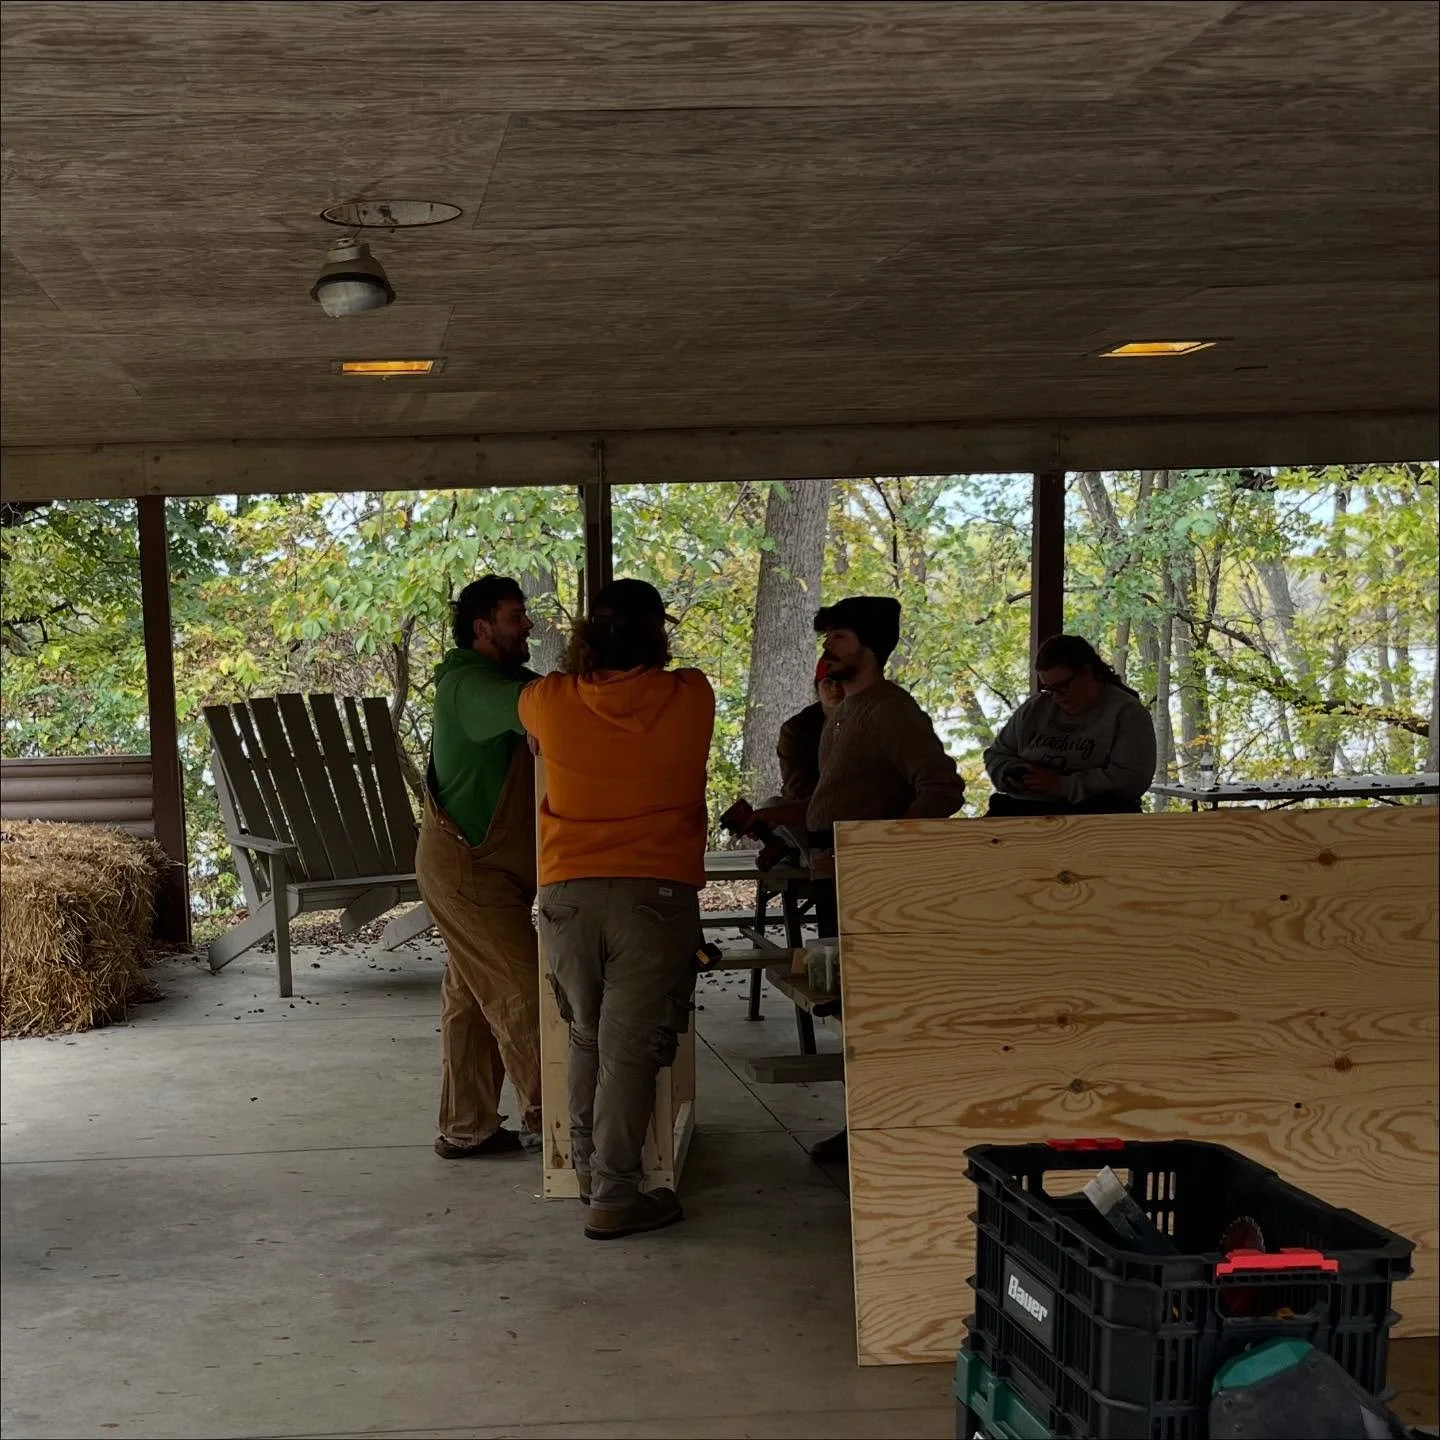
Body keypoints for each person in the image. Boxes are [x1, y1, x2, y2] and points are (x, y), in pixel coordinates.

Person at [519, 579, 715, 1240]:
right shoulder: (691, 695)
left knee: (585, 1035)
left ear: (586, 635)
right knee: (628, 1052)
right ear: (658, 634)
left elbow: (531, 712)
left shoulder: (548, 701)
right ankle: (614, 1196)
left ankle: (584, 1175)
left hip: (567, 895)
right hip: (654, 897)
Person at [754, 595, 966, 1166]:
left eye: (839, 639)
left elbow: (943, 790)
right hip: (834, 871)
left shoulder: (892, 710)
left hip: (871, 884)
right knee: (848, 1007)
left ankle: (885, 1129)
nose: (828, 649)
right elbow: (833, 796)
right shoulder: (843, 709)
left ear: (869, 646)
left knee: (874, 1011)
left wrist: (874, 852)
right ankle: (861, 1124)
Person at [416, 575, 544, 1159]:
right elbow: (536, 709)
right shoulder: (470, 686)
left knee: (470, 1001)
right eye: (517, 616)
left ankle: (467, 1128)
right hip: (470, 871)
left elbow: (542, 696)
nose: (528, 625)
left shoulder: (505, 678)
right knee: (525, 993)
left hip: (496, 870)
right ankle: (562, 1125)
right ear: (482, 628)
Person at [983, 634, 1157, 816]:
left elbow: (1132, 779)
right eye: (1049, 689)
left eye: (1063, 686)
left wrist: (1061, 785)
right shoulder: (1035, 708)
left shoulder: (1126, 712)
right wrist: (1010, 773)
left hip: (1097, 814)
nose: (1057, 697)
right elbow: (997, 753)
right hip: (1022, 808)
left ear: (1088, 672)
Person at [776, 660, 848, 802]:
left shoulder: (868, 720)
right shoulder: (795, 729)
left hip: (859, 803)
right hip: (808, 805)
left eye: (842, 681)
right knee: (773, 805)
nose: (835, 688)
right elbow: (796, 784)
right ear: (817, 687)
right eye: (828, 682)